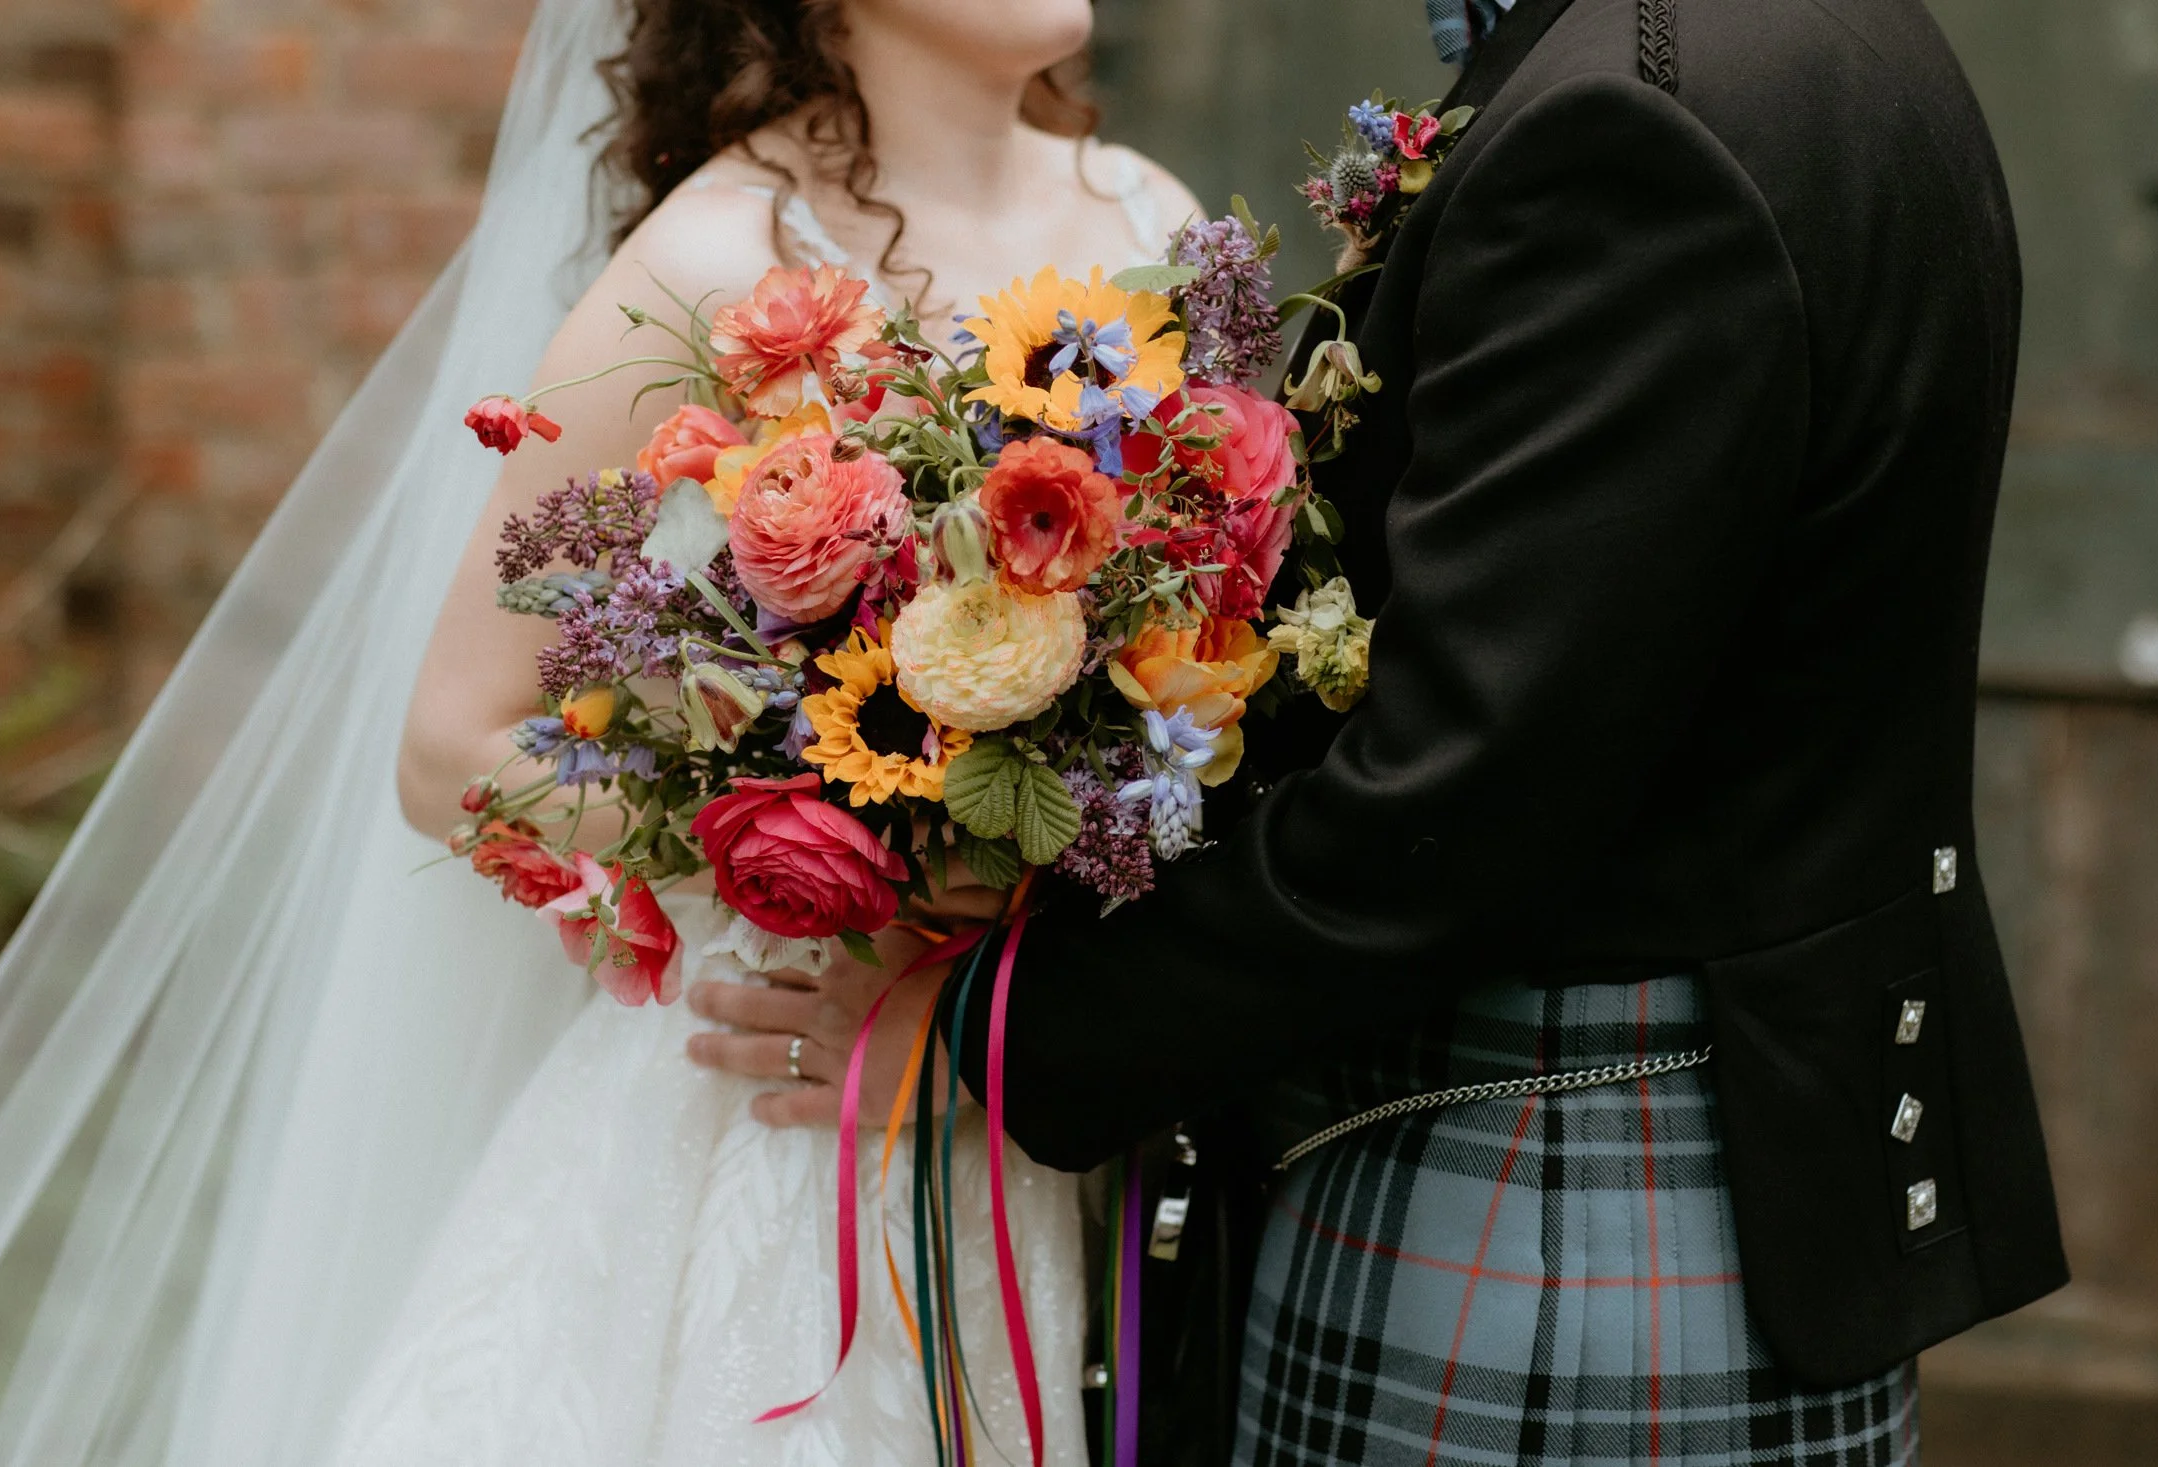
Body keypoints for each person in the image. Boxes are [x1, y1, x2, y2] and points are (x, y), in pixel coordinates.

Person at [736, 0, 2071, 1462]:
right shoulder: (1840, 34)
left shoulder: (1631, 120)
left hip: (1552, 1198)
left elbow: (1454, 801)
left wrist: (1006, 1034)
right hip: (1727, 1165)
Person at [0, 1, 1193, 1463]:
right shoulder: (716, 258)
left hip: (1036, 1102)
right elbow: (449, 745)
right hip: (776, 1101)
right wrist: (831, 853)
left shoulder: (1156, 224)